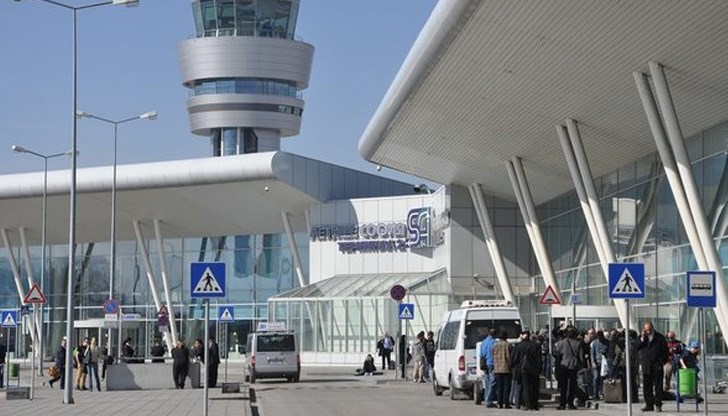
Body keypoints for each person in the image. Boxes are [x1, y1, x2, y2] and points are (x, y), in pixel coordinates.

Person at [637, 321, 668, 412]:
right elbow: (636, 347)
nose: (648, 332)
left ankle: (658, 404)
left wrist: (662, 362)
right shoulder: (642, 338)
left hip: (657, 365)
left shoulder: (659, 338)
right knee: (647, 386)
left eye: (649, 330)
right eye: (646, 330)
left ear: (652, 329)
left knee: (658, 386)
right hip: (646, 365)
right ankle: (649, 404)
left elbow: (665, 351)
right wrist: (642, 338)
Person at [554, 327, 584, 410]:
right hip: (573, 366)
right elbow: (581, 357)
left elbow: (557, 354)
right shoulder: (578, 344)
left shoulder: (561, 343)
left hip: (563, 365)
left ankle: (562, 404)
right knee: (572, 385)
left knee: (563, 386)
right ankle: (570, 403)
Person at [520, 330, 543, 411]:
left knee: (526, 387)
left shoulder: (524, 345)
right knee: (535, 387)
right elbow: (539, 359)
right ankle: (534, 405)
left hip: (525, 368)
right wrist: (540, 368)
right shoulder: (537, 346)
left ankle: (528, 405)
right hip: (534, 369)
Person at [492, 331, 512, 408]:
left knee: (499, 387)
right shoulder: (508, 345)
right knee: (506, 387)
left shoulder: (494, 345)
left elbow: (492, 355)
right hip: (506, 369)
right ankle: (506, 403)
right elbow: (509, 357)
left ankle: (499, 403)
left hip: (497, 369)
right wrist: (510, 365)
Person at [480, 328, 497, 408]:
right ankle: (488, 400)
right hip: (492, 363)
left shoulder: (484, 342)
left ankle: (487, 399)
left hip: (485, 363)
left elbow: (482, 354)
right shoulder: (494, 342)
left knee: (487, 382)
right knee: (492, 382)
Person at [590, 330, 609, 400]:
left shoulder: (607, 342)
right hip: (597, 362)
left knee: (604, 378)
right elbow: (592, 353)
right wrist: (593, 362)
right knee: (596, 378)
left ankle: (603, 393)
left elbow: (610, 351)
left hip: (605, 363)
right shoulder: (594, 343)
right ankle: (595, 394)